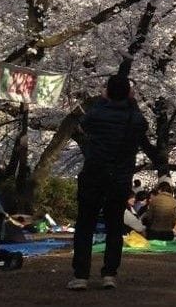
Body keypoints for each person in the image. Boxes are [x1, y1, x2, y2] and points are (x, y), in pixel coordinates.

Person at [69, 74, 144, 290]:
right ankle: (109, 274)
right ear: (129, 93)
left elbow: (84, 122)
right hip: (119, 178)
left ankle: (81, 275)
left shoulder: (98, 114)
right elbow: (142, 126)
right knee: (114, 226)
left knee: (85, 224)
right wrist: (132, 102)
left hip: (94, 174)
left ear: (108, 92)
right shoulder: (134, 118)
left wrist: (103, 100)